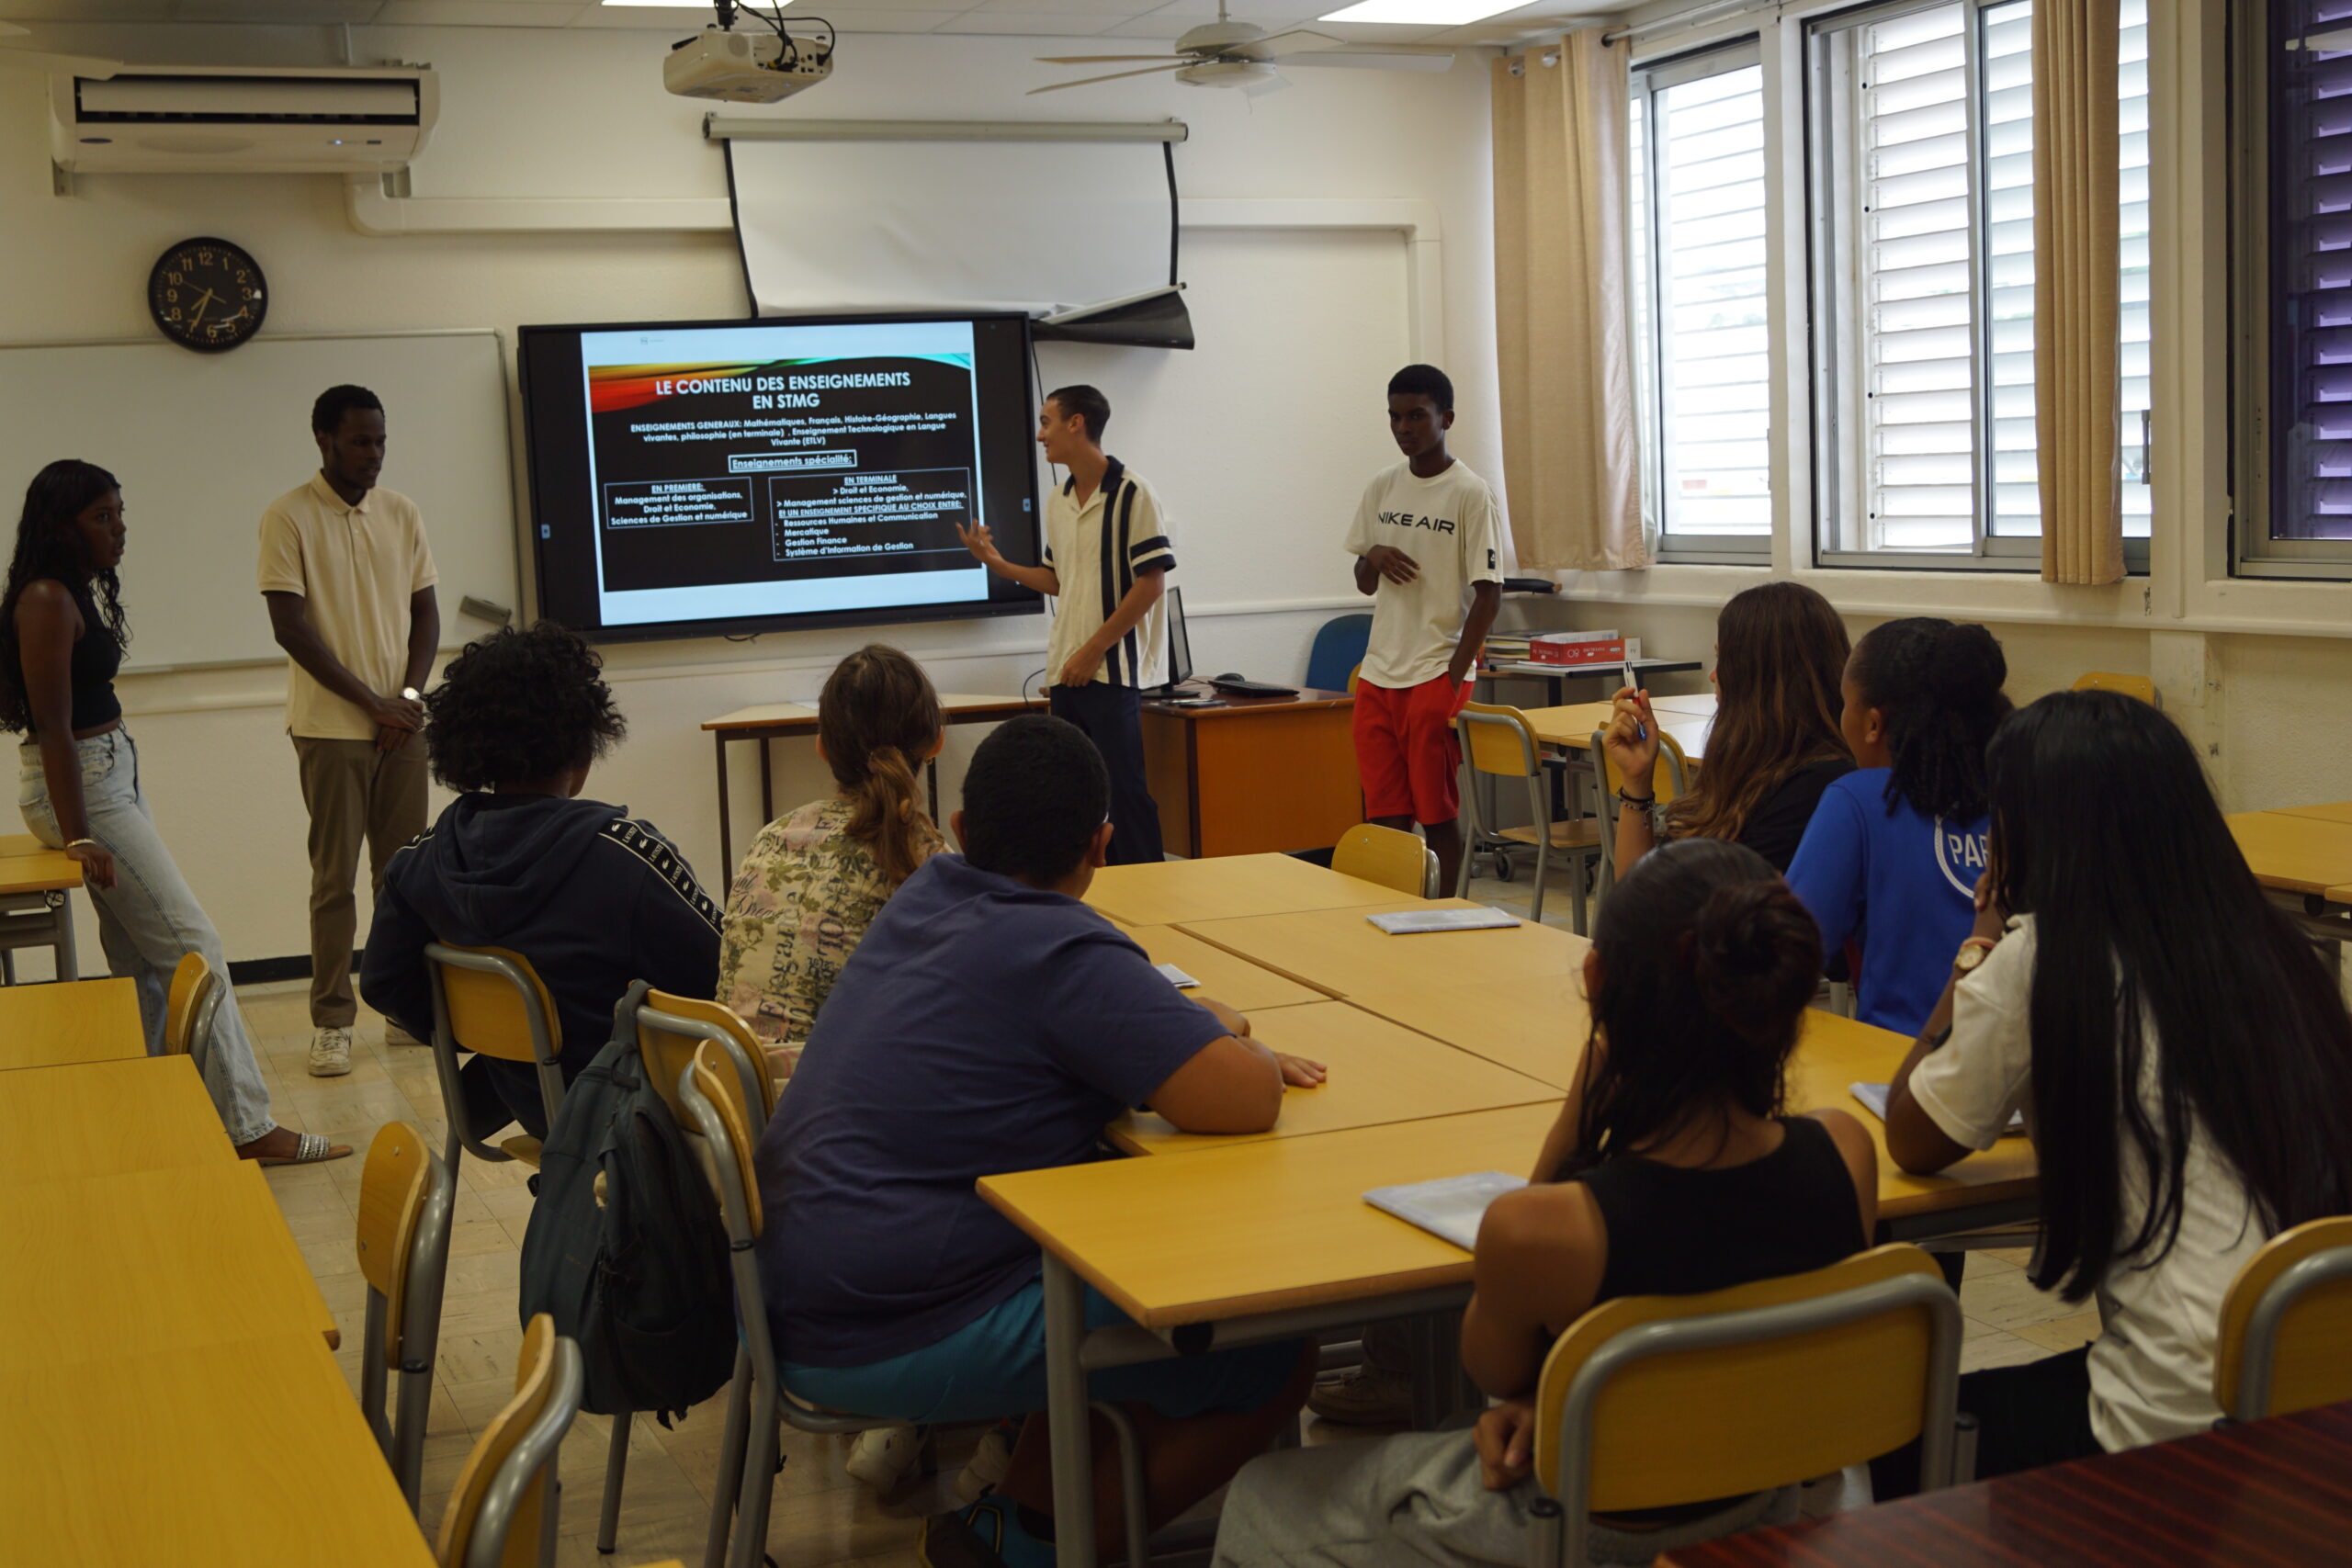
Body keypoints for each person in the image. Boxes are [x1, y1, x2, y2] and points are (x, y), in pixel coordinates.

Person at [752, 714, 1327, 1568]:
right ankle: (1033, 1549)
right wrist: (1216, 1031)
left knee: (1113, 1251)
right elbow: (1247, 1098)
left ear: (959, 831)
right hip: (878, 1328)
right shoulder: (1057, 945)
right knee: (1262, 1335)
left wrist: (1164, 1025)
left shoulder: (929, 895)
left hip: (793, 1287)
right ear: (1102, 843)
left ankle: (1005, 1520)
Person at [1212, 839, 1876, 1567]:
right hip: (1773, 1503)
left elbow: (1494, 1371)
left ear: (1597, 981)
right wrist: (1571, 1398)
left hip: (1589, 1524)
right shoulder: (1845, 1153)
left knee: (1262, 1494)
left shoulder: (1548, 1229)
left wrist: (1580, 1105)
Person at [1873, 691, 2352, 1492]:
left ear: (2034, 834)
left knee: (1903, 1429)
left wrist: (1978, 948)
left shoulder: (2045, 960)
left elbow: (1912, 1134)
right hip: (2315, 1387)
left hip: (2189, 1425)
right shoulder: (2278, 947)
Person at [2, 460, 345, 1165]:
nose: (119, 529)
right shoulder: (44, 599)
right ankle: (249, 1125)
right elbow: (54, 728)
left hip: (107, 778)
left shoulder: (71, 591)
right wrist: (80, 836)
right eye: (103, 517)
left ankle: (163, 1109)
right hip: (85, 791)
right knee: (196, 944)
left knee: (141, 957)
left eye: (120, 513)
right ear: (61, 526)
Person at [359, 622, 720, 1145]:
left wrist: (488, 1029)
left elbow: (383, 984)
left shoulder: (418, 863)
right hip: (637, 1118)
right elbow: (723, 980)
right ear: (583, 745)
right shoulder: (625, 858)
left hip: (522, 1104)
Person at [258, 383, 440, 1079]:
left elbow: (426, 616)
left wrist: (408, 698)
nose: (374, 455)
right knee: (334, 879)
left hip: (402, 723)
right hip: (332, 727)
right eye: (361, 441)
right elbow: (290, 627)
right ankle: (332, 1020)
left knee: (404, 877)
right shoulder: (288, 516)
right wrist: (373, 704)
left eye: (381, 441)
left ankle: (401, 1007)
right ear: (325, 441)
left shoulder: (403, 512)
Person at [956, 385, 1174, 866]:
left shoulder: (1134, 492)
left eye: (1046, 422)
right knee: (1074, 799)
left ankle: (1151, 896)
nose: (1040, 435)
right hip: (1066, 670)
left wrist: (1093, 650)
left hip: (1109, 671)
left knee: (1125, 794)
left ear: (1077, 423)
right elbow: (1058, 579)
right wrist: (998, 563)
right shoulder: (1058, 499)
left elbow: (1150, 584)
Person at [718, 644, 946, 1079]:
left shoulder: (770, 839)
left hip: (733, 1109)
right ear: (936, 742)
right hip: (842, 1117)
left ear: (821, 746)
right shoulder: (927, 857)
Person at [1784, 616, 2010, 1036]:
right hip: (2031, 1077)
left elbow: (1787, 959)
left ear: (1873, 724)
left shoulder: (1858, 800)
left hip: (1900, 1070)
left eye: (1845, 702)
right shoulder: (2023, 792)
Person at [1344, 364, 1505, 898]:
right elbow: (1365, 583)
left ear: (1446, 418)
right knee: (1385, 814)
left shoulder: (1470, 493)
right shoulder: (1381, 486)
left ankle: (1446, 916)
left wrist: (1451, 678)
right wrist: (1374, 552)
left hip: (1435, 671)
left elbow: (1489, 595)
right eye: (1394, 416)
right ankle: (1393, 912)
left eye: (1416, 415)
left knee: (1436, 815)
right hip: (1379, 672)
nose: (1403, 427)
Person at [1602, 581, 1852, 875]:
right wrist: (1636, 781)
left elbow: (1664, 909)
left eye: (1724, 659)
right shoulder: (1746, 762)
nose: (1713, 675)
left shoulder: (1815, 786)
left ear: (1761, 677)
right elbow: (1639, 896)